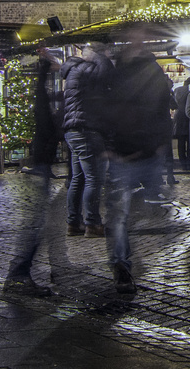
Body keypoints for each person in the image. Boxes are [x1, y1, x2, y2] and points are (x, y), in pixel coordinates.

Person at [102, 31, 172, 295]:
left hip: (147, 151)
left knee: (133, 213)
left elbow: (162, 108)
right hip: (124, 151)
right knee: (120, 215)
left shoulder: (151, 70)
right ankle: (122, 266)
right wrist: (108, 146)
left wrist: (160, 143)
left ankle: (126, 261)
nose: (136, 42)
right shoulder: (116, 71)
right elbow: (104, 108)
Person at [4, 49, 61, 296]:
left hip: (42, 169)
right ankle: (17, 277)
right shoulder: (47, 115)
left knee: (39, 225)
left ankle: (23, 274)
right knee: (35, 226)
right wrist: (43, 71)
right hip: (40, 170)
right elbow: (41, 99)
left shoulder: (50, 111)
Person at [61, 43, 111, 237]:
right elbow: (107, 72)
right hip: (86, 129)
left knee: (78, 179)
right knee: (94, 179)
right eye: (105, 53)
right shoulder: (85, 69)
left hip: (74, 130)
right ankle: (92, 223)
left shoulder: (75, 71)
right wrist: (97, 56)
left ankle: (73, 223)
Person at [171, 76, 190, 171]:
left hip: (179, 116)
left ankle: (183, 163)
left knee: (181, 142)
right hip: (188, 117)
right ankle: (189, 163)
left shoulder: (177, 90)